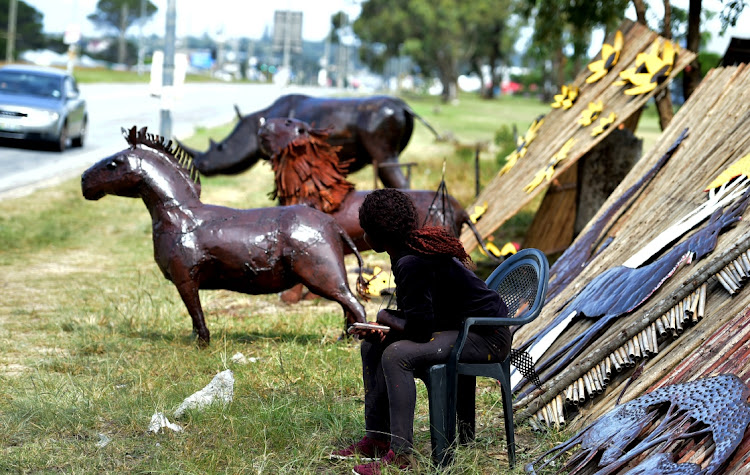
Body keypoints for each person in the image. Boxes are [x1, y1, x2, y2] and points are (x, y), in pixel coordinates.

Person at [330, 188, 511, 475]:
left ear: (380, 234)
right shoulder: (405, 250)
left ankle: (401, 455)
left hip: (485, 336)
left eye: (367, 231)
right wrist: (387, 328)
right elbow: (422, 316)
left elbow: (420, 329)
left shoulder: (410, 260)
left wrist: (384, 317)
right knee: (372, 347)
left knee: (396, 355)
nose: (364, 238)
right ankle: (378, 437)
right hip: (456, 327)